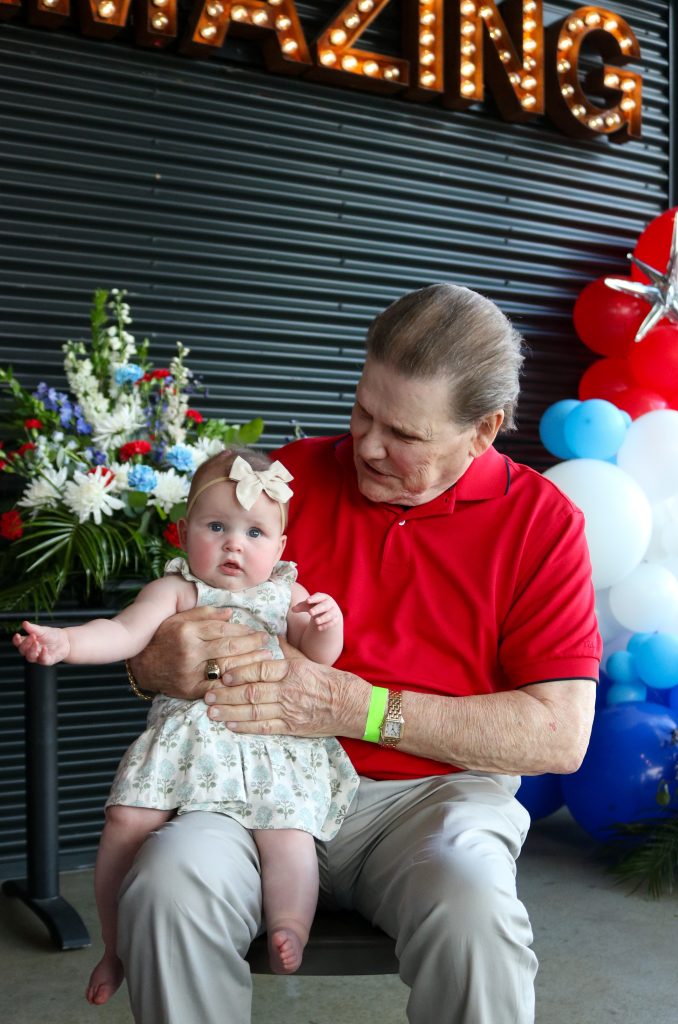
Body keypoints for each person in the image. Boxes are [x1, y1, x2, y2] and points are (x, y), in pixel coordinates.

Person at [118, 283, 601, 1024]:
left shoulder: (544, 523)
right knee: (166, 886)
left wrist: (356, 707)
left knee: (476, 912)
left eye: (403, 434)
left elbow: (558, 735)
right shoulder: (279, 481)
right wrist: (154, 664)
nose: (368, 446)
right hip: (250, 780)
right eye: (362, 412)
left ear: (482, 431)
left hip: (429, 800)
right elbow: (163, 626)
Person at [12, 447, 358, 1002]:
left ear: (280, 548)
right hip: (187, 742)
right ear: (181, 532)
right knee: (124, 820)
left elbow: (321, 660)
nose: (233, 545)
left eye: (254, 533)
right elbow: (122, 634)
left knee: (287, 833)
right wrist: (66, 642)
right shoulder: (176, 591)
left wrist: (325, 625)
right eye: (216, 527)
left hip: (270, 740)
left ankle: (290, 925)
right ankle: (115, 946)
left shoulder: (287, 594)